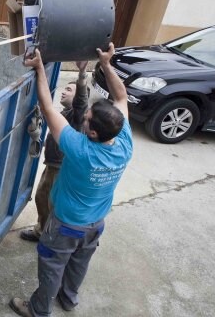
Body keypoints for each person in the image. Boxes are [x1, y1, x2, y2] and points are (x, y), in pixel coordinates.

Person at [10, 43, 133, 317]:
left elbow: (46, 106)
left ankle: (39, 309)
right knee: (79, 263)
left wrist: (40, 67)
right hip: (95, 223)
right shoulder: (124, 143)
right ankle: (68, 299)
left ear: (91, 133)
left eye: (86, 119)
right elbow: (122, 96)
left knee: (52, 265)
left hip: (66, 225)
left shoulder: (80, 150)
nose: (84, 117)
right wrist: (106, 64)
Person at [20, 61, 89, 242]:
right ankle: (41, 230)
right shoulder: (65, 113)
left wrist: (82, 74)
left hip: (60, 168)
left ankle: (50, 237)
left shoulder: (77, 115)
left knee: (52, 204)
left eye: (69, 90)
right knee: (41, 198)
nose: (64, 91)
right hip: (51, 165)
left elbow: (82, 100)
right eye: (64, 88)